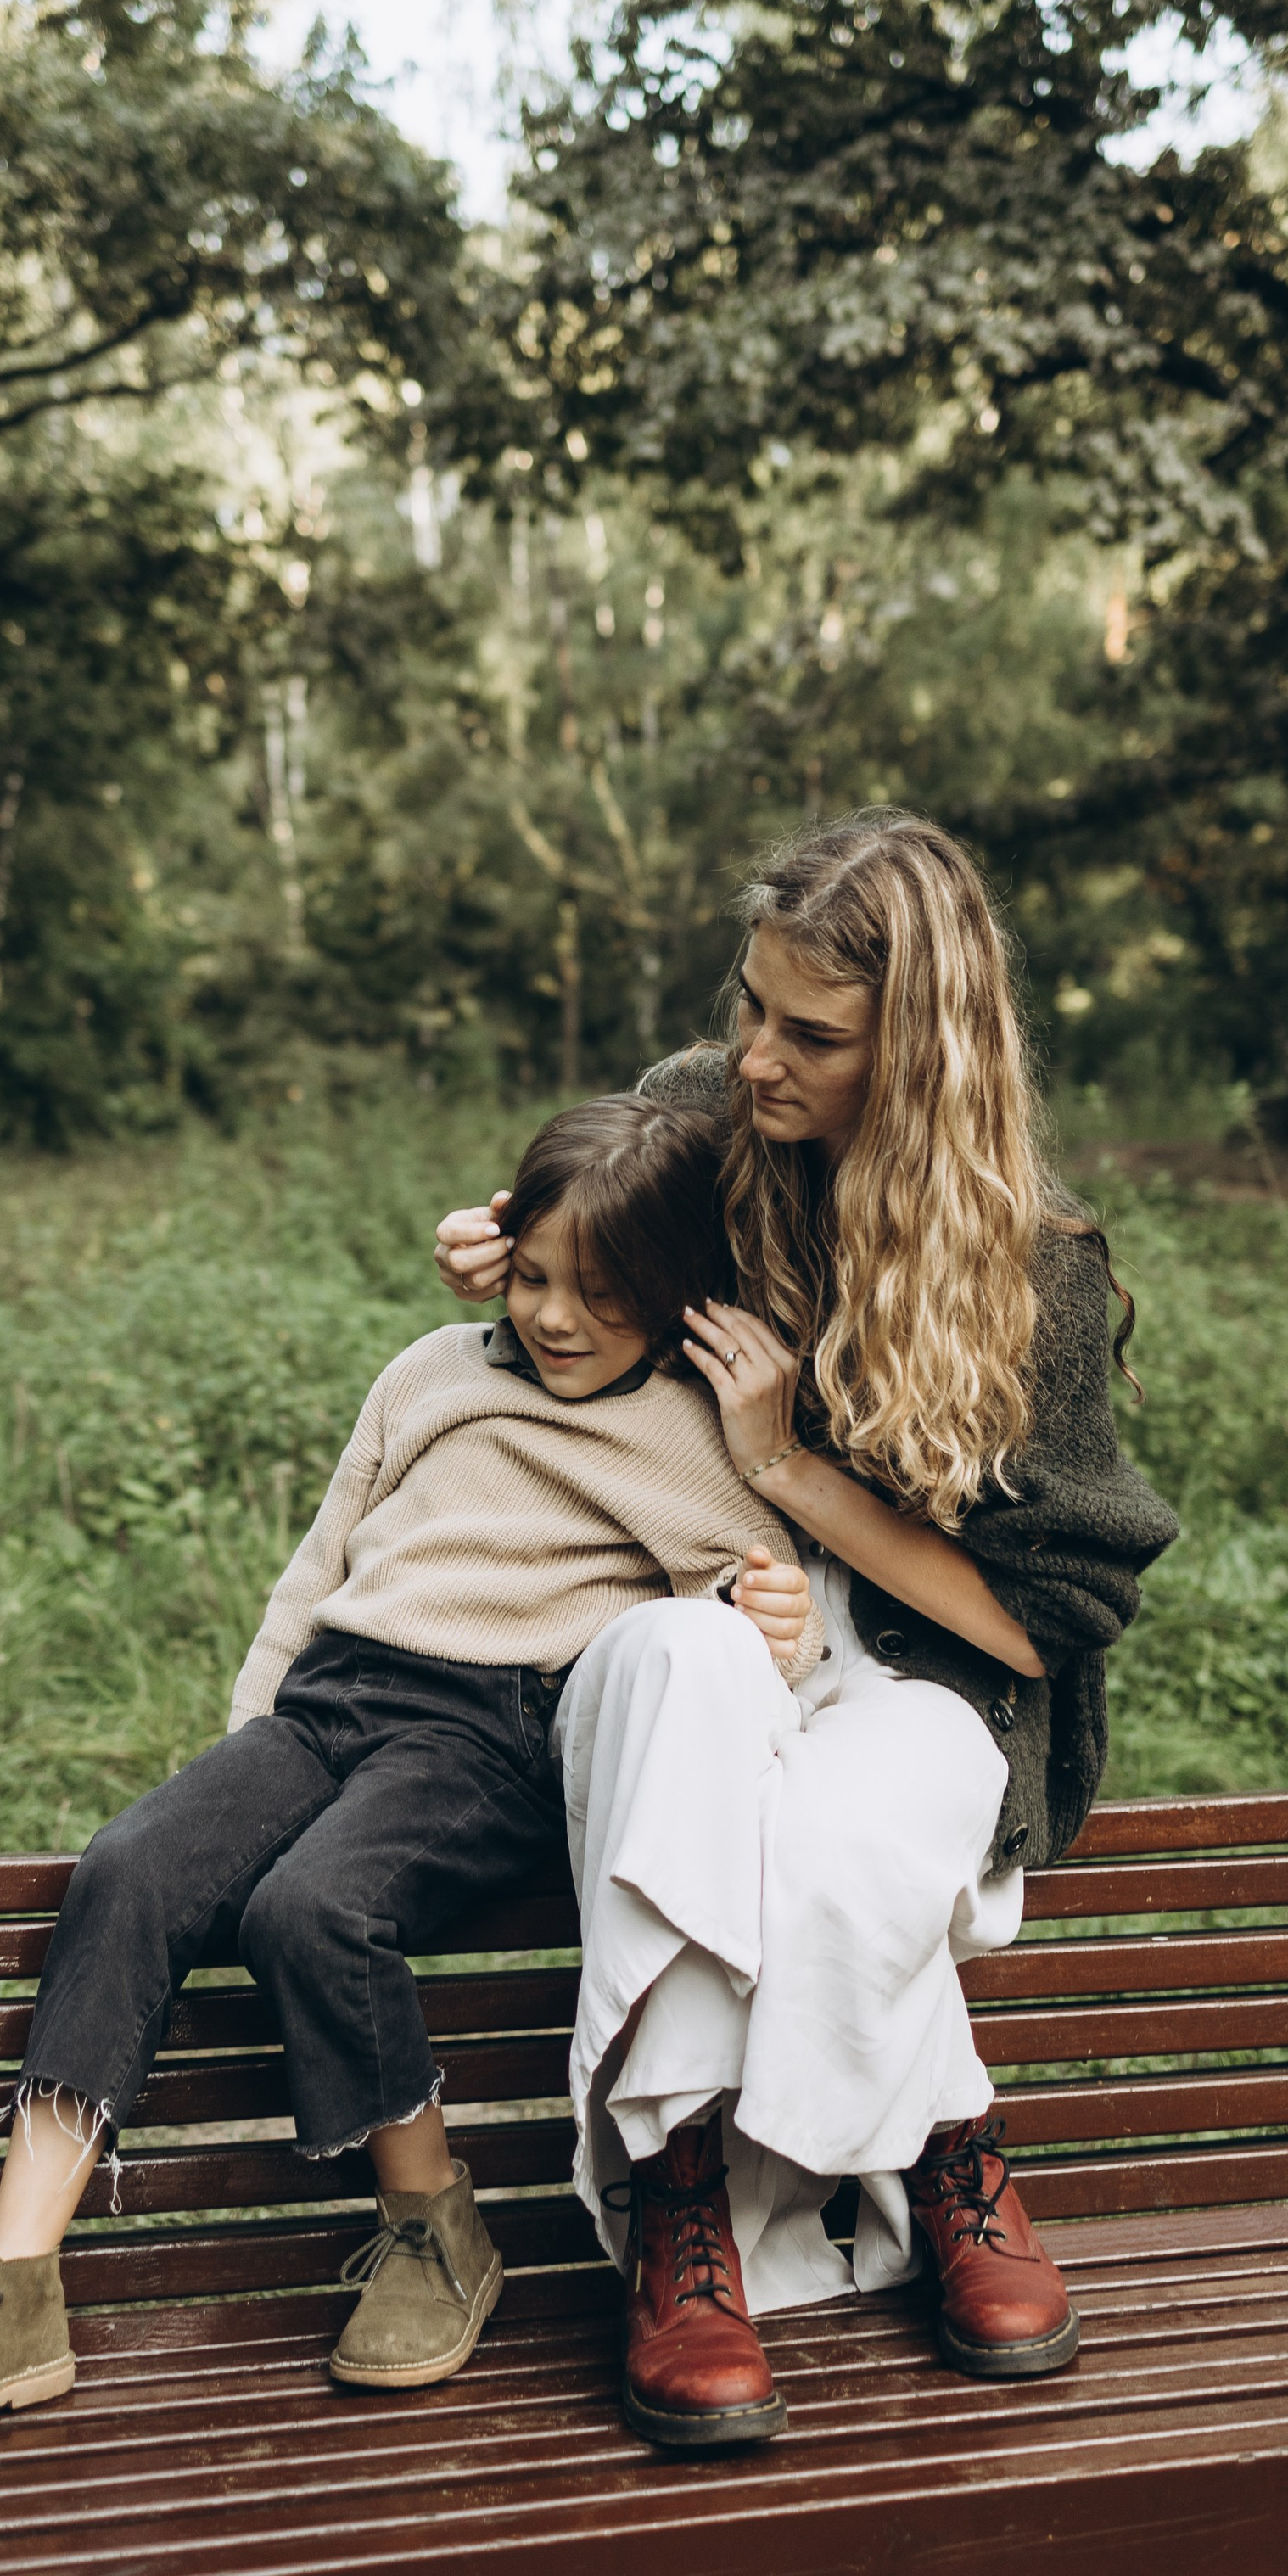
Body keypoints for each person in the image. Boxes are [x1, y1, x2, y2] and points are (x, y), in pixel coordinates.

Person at [0, 1095, 820, 2439]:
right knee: (133, 1867)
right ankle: (9, 2286)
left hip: (494, 1734)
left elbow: (747, 1642)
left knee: (313, 1908)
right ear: (495, 1255)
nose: (558, 1318)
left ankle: (431, 2229)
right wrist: (247, 1758)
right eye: (533, 1279)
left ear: (681, 1295)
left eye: (606, 1295)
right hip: (330, 1697)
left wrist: (788, 1635)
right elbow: (319, 1570)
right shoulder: (428, 1373)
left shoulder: (699, 1439)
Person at [435, 811, 1179, 2452]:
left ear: (914, 1057)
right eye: (751, 1007)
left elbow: (1040, 1632)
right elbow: (586, 1200)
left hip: (932, 1659)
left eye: (810, 1035)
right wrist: (506, 1237)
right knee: (684, 1684)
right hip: (699, 1602)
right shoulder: (719, 1113)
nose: (753, 1057)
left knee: (843, 1837)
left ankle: (937, 2147)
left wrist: (788, 1462)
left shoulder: (1030, 1275)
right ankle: (691, 2201)